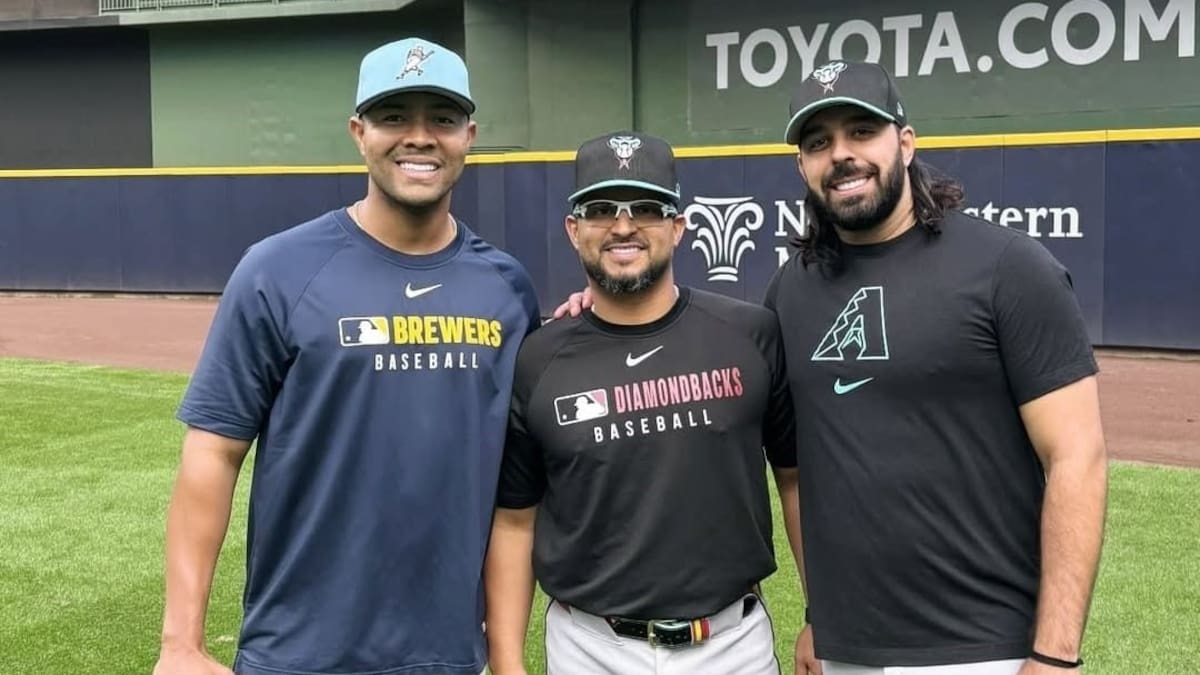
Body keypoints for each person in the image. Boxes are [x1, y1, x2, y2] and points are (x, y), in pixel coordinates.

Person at [152, 38, 540, 675]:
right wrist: (180, 643)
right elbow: (213, 453)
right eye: (394, 117)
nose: (420, 137)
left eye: (442, 119)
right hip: (298, 654)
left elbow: (513, 495)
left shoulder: (507, 289)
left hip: (445, 657)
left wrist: (507, 661)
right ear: (359, 132)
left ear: (469, 137)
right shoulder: (277, 270)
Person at [771, 61, 1108, 675]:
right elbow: (793, 474)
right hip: (848, 650)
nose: (841, 154)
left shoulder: (1008, 268)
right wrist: (819, 614)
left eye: (861, 131)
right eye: (818, 142)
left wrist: (1055, 653)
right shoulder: (790, 290)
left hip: (984, 648)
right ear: (802, 167)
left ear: (905, 143)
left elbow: (1077, 456)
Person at [484, 131, 801, 675]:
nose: (624, 226)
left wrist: (820, 616)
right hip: (590, 648)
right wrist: (509, 665)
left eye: (647, 209)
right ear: (573, 229)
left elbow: (795, 483)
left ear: (678, 227)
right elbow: (515, 523)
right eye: (601, 209)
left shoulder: (750, 335)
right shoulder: (537, 359)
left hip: (731, 644)